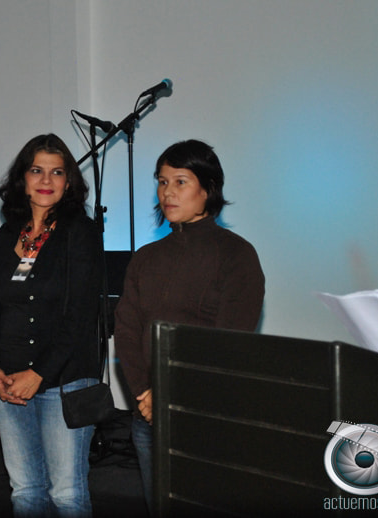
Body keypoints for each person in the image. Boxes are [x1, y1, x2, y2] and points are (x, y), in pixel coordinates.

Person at [114, 139, 265, 515]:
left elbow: (227, 345)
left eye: (180, 182)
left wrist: (170, 398)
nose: (168, 192)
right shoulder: (145, 257)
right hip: (147, 416)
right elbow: (127, 331)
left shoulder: (237, 255)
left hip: (204, 420)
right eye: (162, 182)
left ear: (208, 189)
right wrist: (145, 394)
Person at [0, 133, 103, 518]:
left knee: (66, 494)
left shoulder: (81, 232)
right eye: (37, 170)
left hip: (65, 381)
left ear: (69, 182)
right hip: (8, 382)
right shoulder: (6, 235)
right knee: (25, 493)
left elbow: (80, 316)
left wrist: (38, 374)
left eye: (57, 172)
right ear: (22, 179)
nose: (46, 180)